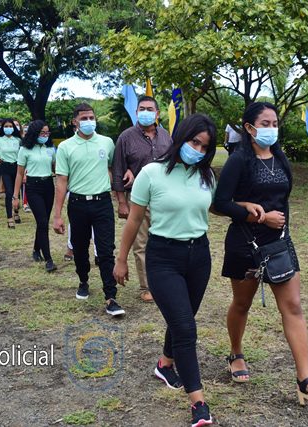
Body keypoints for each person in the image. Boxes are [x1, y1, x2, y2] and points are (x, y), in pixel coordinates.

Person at [213, 102, 308, 409]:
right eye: (265, 123)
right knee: (242, 304)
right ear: (249, 128)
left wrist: (281, 231)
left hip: (279, 244)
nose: (271, 129)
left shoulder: (280, 158)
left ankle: (305, 379)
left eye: (275, 123)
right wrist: (257, 215)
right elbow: (219, 204)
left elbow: (284, 199)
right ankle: (236, 353)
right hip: (246, 244)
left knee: (293, 307)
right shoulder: (238, 160)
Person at [113, 114, 218, 427]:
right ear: (181, 137)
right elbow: (134, 220)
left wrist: (250, 210)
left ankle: (165, 363)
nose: (198, 150)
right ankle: (198, 403)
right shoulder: (151, 173)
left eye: (205, 147)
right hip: (163, 258)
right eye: (194, 142)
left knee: (182, 318)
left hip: (199, 256)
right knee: (185, 327)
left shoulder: (206, 176)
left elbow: (216, 206)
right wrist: (121, 259)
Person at [52, 102, 123, 317]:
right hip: (78, 203)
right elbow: (62, 181)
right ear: (75, 121)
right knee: (80, 248)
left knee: (106, 250)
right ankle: (83, 280)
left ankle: (110, 296)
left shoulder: (106, 142)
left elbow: (113, 169)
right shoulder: (66, 147)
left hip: (102, 203)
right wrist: (57, 215)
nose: (89, 122)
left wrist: (120, 196)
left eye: (91, 117)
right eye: (84, 118)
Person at [112, 95, 172, 303]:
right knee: (142, 243)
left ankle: (165, 281)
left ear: (157, 113)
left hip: (164, 197)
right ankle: (147, 286)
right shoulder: (126, 137)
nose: (146, 112)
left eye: (150, 109)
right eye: (142, 109)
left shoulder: (166, 137)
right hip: (138, 198)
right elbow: (118, 170)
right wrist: (121, 202)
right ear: (136, 112)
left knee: (165, 241)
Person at [12, 120, 57, 272]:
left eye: (47, 132)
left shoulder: (50, 148)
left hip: (48, 185)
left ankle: (36, 249)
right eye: (42, 133)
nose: (45, 135)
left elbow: (56, 167)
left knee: (43, 222)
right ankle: (49, 259)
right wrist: (15, 196)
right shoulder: (25, 149)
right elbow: (19, 174)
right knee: (42, 221)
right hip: (33, 187)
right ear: (34, 133)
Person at [0, 118, 22, 228]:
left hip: (17, 167)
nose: (8, 128)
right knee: (9, 192)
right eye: (6, 126)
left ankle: (16, 212)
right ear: (2, 128)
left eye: (10, 126)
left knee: (17, 192)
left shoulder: (18, 140)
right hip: (5, 167)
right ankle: (9, 218)